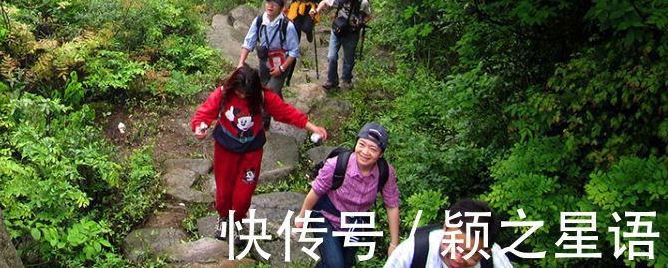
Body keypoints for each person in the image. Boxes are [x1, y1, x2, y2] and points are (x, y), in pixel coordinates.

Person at [192, 65, 328, 241]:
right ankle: (224, 218)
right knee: (224, 190)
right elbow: (204, 114)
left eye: (246, 94)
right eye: (239, 92)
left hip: (251, 152)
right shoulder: (223, 94)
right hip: (225, 149)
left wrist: (311, 127)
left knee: (244, 195)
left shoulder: (262, 97)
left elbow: (286, 112)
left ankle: (238, 219)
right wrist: (199, 128)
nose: (242, 96)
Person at [293, 122, 401, 267]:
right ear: (356, 143)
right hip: (326, 217)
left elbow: (392, 205)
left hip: (353, 224)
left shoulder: (385, 172)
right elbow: (316, 191)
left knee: (346, 264)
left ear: (380, 154)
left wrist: (394, 244)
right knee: (336, 265)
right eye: (362, 144)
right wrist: (302, 216)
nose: (365, 152)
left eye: (373, 149)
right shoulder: (336, 164)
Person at [384, 198, 512, 268]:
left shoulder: (494, 260)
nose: (457, 258)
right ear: (446, 227)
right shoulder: (413, 251)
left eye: (469, 253)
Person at [239, 0, 301, 96]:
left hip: (282, 62)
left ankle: (268, 112)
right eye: (268, 3)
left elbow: (294, 51)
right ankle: (281, 111)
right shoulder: (259, 21)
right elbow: (248, 42)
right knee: (265, 88)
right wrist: (241, 62)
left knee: (271, 92)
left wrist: (281, 68)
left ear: (281, 8)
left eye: (274, 4)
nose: (270, 6)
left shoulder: (287, 26)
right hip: (264, 61)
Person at [313, 0, 371, 90]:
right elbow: (324, 2)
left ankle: (346, 80)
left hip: (352, 33)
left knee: (348, 59)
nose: (344, 2)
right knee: (331, 56)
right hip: (337, 29)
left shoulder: (362, 2)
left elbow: (368, 15)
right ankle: (332, 80)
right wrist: (317, 11)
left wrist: (361, 23)